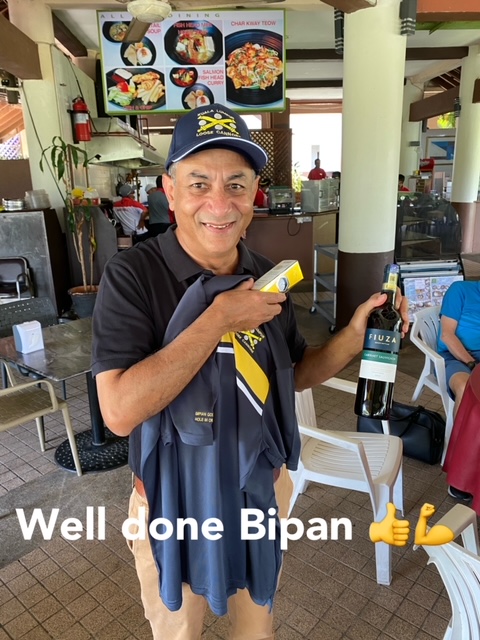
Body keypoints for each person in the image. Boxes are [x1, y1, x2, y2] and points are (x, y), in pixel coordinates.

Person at [92, 103, 409, 640]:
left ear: (254, 194)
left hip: (259, 490)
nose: (219, 204)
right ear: (170, 191)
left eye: (236, 185)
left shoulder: (266, 275)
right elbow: (119, 413)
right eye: (199, 184)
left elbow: (294, 373)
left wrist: (353, 337)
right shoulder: (133, 275)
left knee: (256, 629)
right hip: (173, 500)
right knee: (179, 631)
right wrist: (218, 320)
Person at [438, 280, 480, 500]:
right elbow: (447, 335)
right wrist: (472, 364)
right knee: (466, 387)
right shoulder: (461, 290)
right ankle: (459, 467)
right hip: (456, 357)